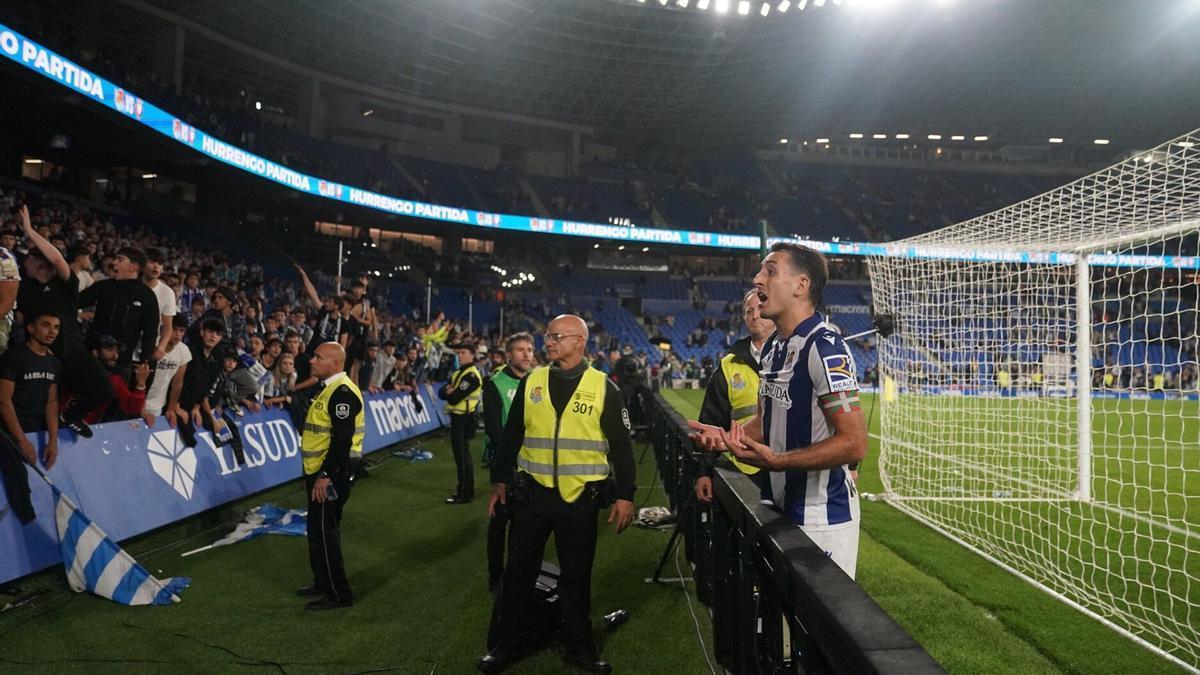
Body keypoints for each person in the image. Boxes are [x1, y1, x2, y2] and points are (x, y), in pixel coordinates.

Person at [688, 243, 867, 578]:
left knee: (815, 628)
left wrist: (778, 461)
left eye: (770, 271)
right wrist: (726, 438)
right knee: (780, 623)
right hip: (778, 504)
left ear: (801, 285)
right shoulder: (774, 347)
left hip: (821, 517)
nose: (758, 279)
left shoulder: (825, 348)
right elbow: (765, 422)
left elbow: (854, 443)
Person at [479, 315, 636, 674]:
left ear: (579, 341)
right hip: (531, 496)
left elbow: (622, 448)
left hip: (580, 499)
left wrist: (626, 495)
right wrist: (499, 481)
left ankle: (579, 649)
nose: (547, 342)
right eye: (546, 336)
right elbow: (511, 435)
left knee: (576, 577)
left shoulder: (603, 387)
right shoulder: (533, 381)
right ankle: (506, 644)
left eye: (555, 336)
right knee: (517, 572)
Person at [14, 206, 112, 439]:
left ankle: (71, 416)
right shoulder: (26, 290)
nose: (23, 265)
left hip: (73, 352)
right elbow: (20, 321)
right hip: (41, 357)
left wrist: (29, 229)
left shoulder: (65, 284)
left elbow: (56, 257)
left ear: (38, 262)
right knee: (37, 408)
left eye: (28, 259)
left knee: (104, 389)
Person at [296, 342, 364, 610]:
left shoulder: (343, 393)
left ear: (335, 364)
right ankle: (323, 582)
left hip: (331, 474)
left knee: (325, 532)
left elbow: (342, 440)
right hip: (320, 472)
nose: (312, 361)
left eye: (318, 357)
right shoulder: (330, 389)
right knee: (316, 529)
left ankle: (338, 593)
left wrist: (325, 475)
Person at [694, 290, 776, 505]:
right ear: (744, 318)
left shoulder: (795, 356)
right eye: (749, 311)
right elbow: (711, 421)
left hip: (785, 465)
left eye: (759, 308)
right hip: (742, 468)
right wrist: (703, 472)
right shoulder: (728, 365)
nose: (755, 315)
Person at [481, 331, 535, 592]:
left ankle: (518, 575)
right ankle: (495, 577)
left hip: (533, 464)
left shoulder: (539, 382)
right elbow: (493, 428)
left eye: (530, 349)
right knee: (499, 522)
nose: (527, 354)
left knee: (525, 524)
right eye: (521, 350)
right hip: (506, 464)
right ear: (509, 354)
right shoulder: (495, 383)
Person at [77, 246, 159, 370]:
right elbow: (74, 302)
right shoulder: (104, 286)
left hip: (121, 363)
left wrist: (145, 360)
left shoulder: (147, 296)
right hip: (92, 356)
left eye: (120, 260)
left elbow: (150, 332)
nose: (114, 262)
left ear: (134, 266)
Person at [0, 312, 61, 470]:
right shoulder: (14, 357)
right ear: (31, 328)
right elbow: (3, 400)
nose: (52, 331)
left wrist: (53, 440)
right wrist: (21, 440)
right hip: (10, 429)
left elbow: (51, 402)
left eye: (56, 327)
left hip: (36, 428)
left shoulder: (53, 362)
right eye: (46, 325)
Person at [440, 343, 483, 504]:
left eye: (464, 352)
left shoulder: (471, 375)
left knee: (462, 456)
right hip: (458, 417)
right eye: (459, 353)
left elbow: (454, 397)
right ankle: (464, 490)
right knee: (461, 455)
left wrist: (449, 392)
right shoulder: (460, 372)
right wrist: (448, 391)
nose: (460, 355)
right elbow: (442, 393)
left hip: (464, 418)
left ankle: (465, 493)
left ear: (472, 355)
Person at [84, 335, 149, 424]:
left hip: (87, 429)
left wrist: (141, 383)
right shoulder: (80, 370)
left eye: (117, 351)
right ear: (96, 352)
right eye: (109, 350)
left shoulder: (114, 380)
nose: (115, 355)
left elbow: (132, 408)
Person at [142, 315, 191, 427]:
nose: (178, 334)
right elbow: (140, 379)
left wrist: (171, 409)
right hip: (141, 403)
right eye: (175, 329)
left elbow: (177, 384)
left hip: (158, 406)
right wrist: (141, 408)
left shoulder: (184, 351)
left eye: (182, 330)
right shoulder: (153, 345)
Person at [141, 248, 176, 361]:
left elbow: (168, 327)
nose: (156, 266)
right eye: (152, 262)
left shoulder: (167, 292)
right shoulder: (132, 286)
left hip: (150, 349)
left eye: (160, 264)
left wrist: (161, 347)